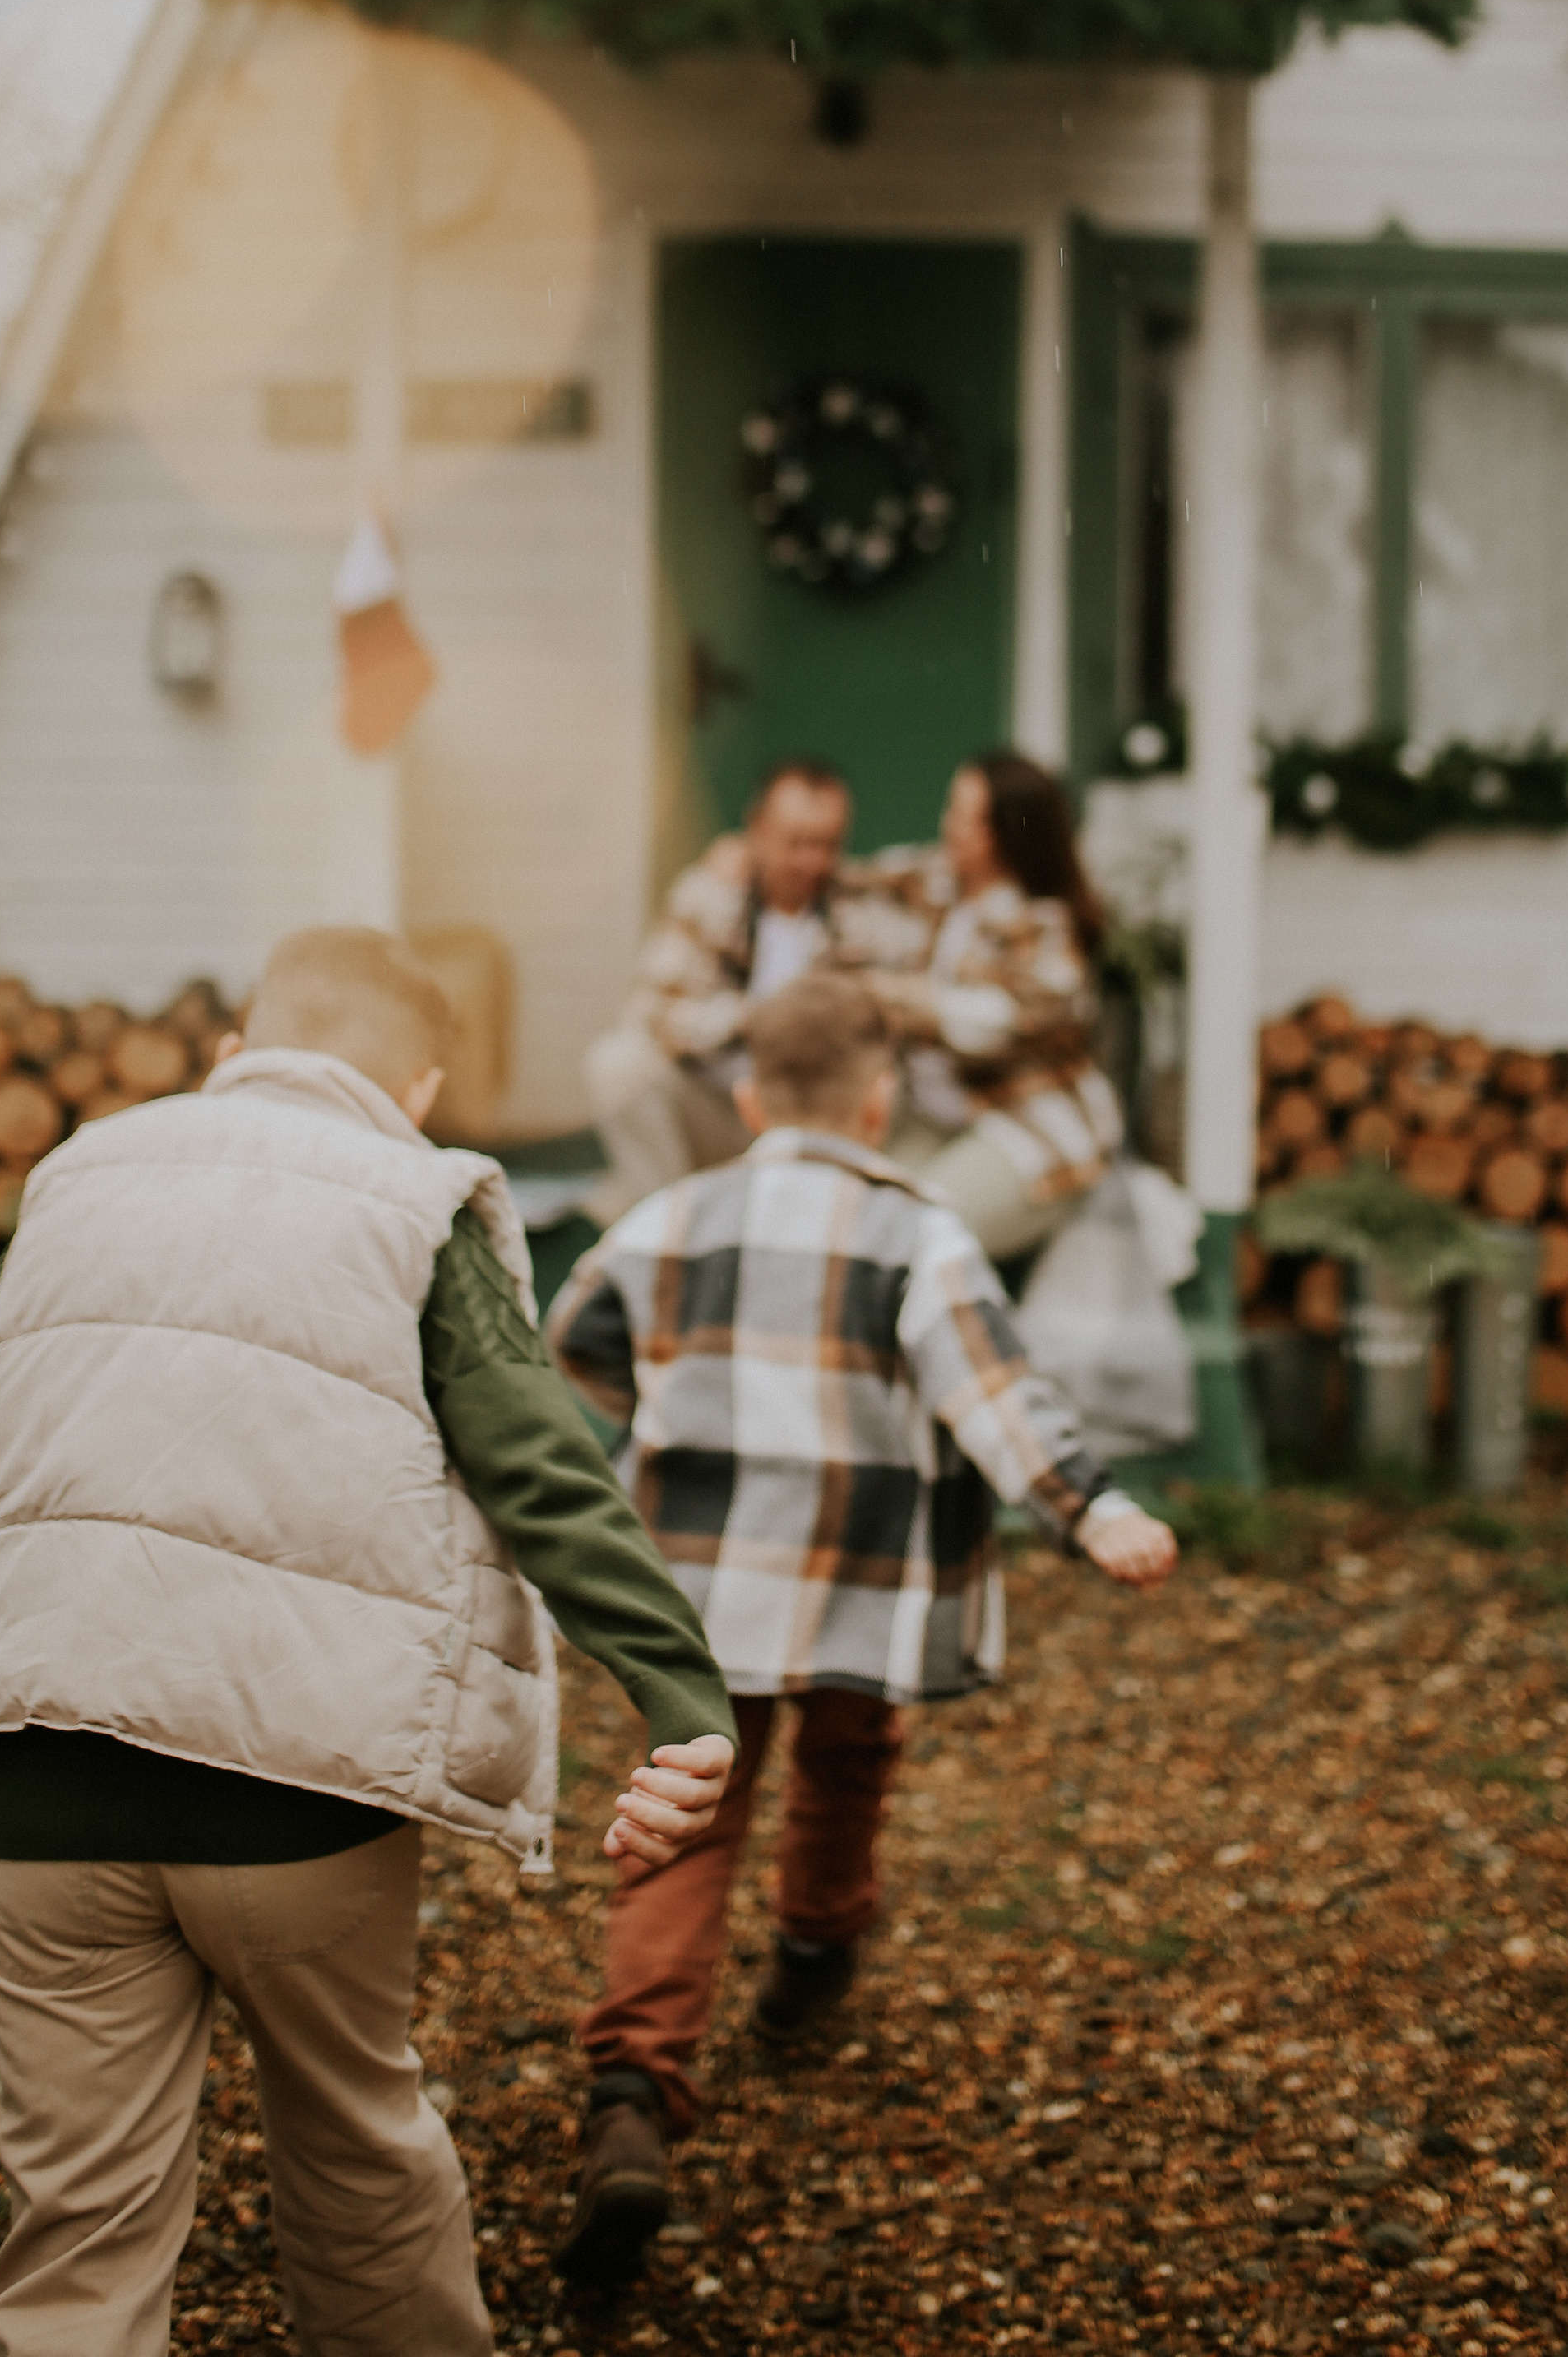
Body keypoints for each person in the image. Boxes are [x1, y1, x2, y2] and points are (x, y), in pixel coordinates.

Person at [0, 925, 738, 2357]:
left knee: (76, 2229)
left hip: (46, 1792)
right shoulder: (410, 1200)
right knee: (355, 2157)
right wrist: (679, 1695)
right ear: (420, 1087)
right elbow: (546, 1474)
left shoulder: (86, 1173)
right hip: (296, 1803)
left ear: (229, 1055)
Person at [545, 968, 1177, 2281]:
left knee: (688, 1817)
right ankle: (818, 1945)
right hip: (857, 1587)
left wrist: (663, 1396)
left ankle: (632, 2093)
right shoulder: (922, 1235)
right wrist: (1087, 1504)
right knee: (848, 1760)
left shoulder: (667, 1220)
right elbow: (990, 1388)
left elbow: (575, 1341)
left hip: (699, 1596)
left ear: (747, 1095)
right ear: (883, 1102)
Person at [582, 757, 923, 1220]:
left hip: (817, 1117)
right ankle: (670, 1228)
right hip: (724, 1109)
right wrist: (754, 1017)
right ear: (757, 831)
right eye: (797, 843)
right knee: (618, 1064)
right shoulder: (708, 894)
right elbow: (652, 1012)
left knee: (892, 1085)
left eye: (828, 844)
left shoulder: (862, 911)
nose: (813, 861)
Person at [868, 748, 1127, 1261]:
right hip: (933, 1115)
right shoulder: (936, 884)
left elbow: (1003, 1020)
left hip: (1027, 1127)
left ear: (1004, 833)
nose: (948, 825)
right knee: (859, 1214)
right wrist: (747, 856)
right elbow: (848, 876)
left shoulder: (1046, 925)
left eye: (964, 816)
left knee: (921, 1232)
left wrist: (905, 1000)